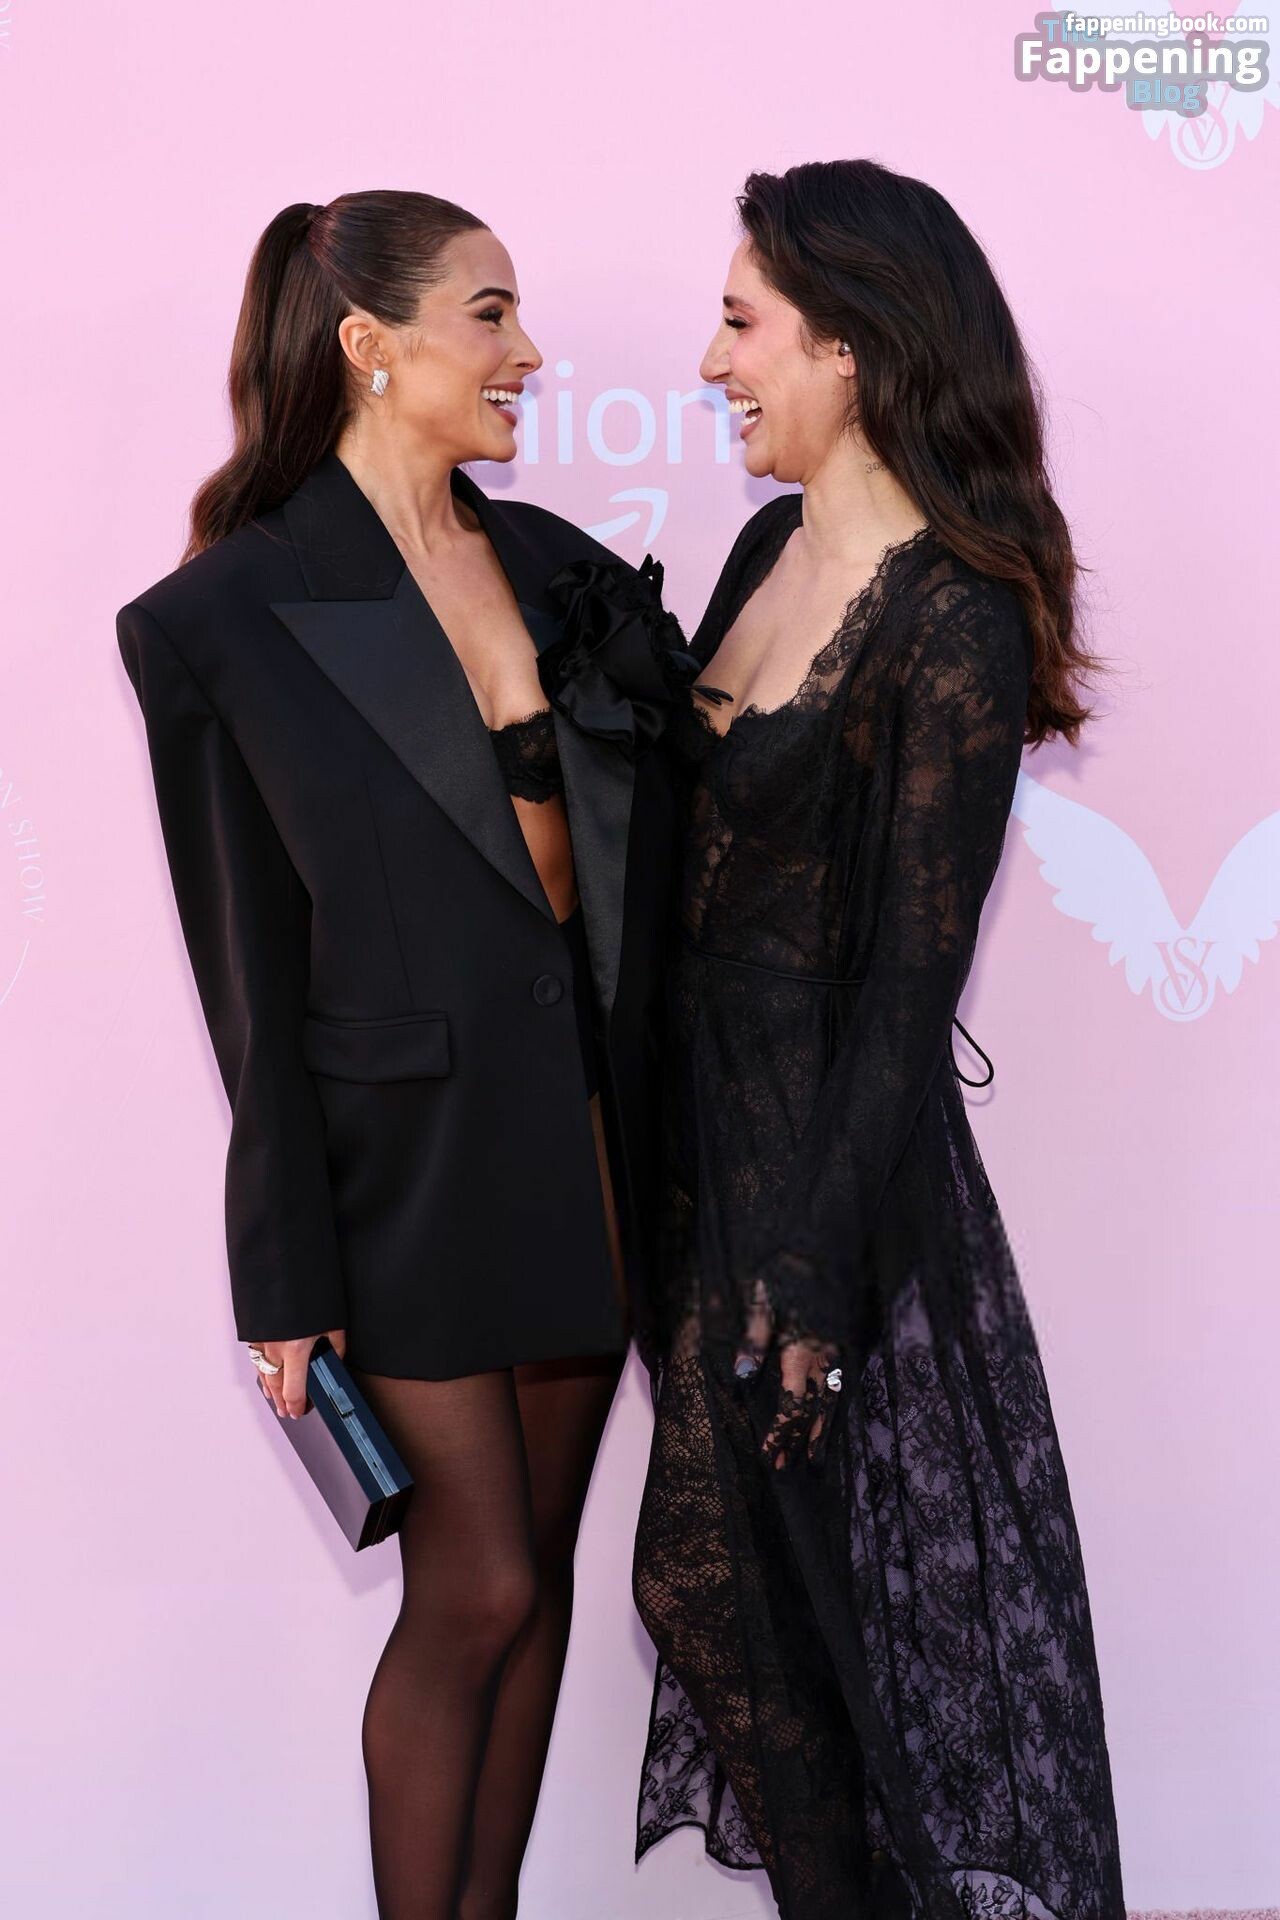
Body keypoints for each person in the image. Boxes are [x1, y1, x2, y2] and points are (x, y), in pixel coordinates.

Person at [116, 191, 681, 1920]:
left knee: (543, 1584)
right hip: (404, 1177)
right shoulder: (220, 617)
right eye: (491, 315)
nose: (528, 352)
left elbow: (629, 871)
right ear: (371, 345)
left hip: (585, 1144)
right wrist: (283, 1270)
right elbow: (245, 978)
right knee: (478, 1589)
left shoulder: (561, 570)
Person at [631, 160, 1128, 1920]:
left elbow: (917, 988)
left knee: (802, 1622)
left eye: (742, 325)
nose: (714, 363)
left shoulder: (952, 614)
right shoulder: (766, 550)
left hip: (819, 1177)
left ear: (849, 346)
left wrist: (817, 1270)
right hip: (691, 1150)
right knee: (766, 1621)